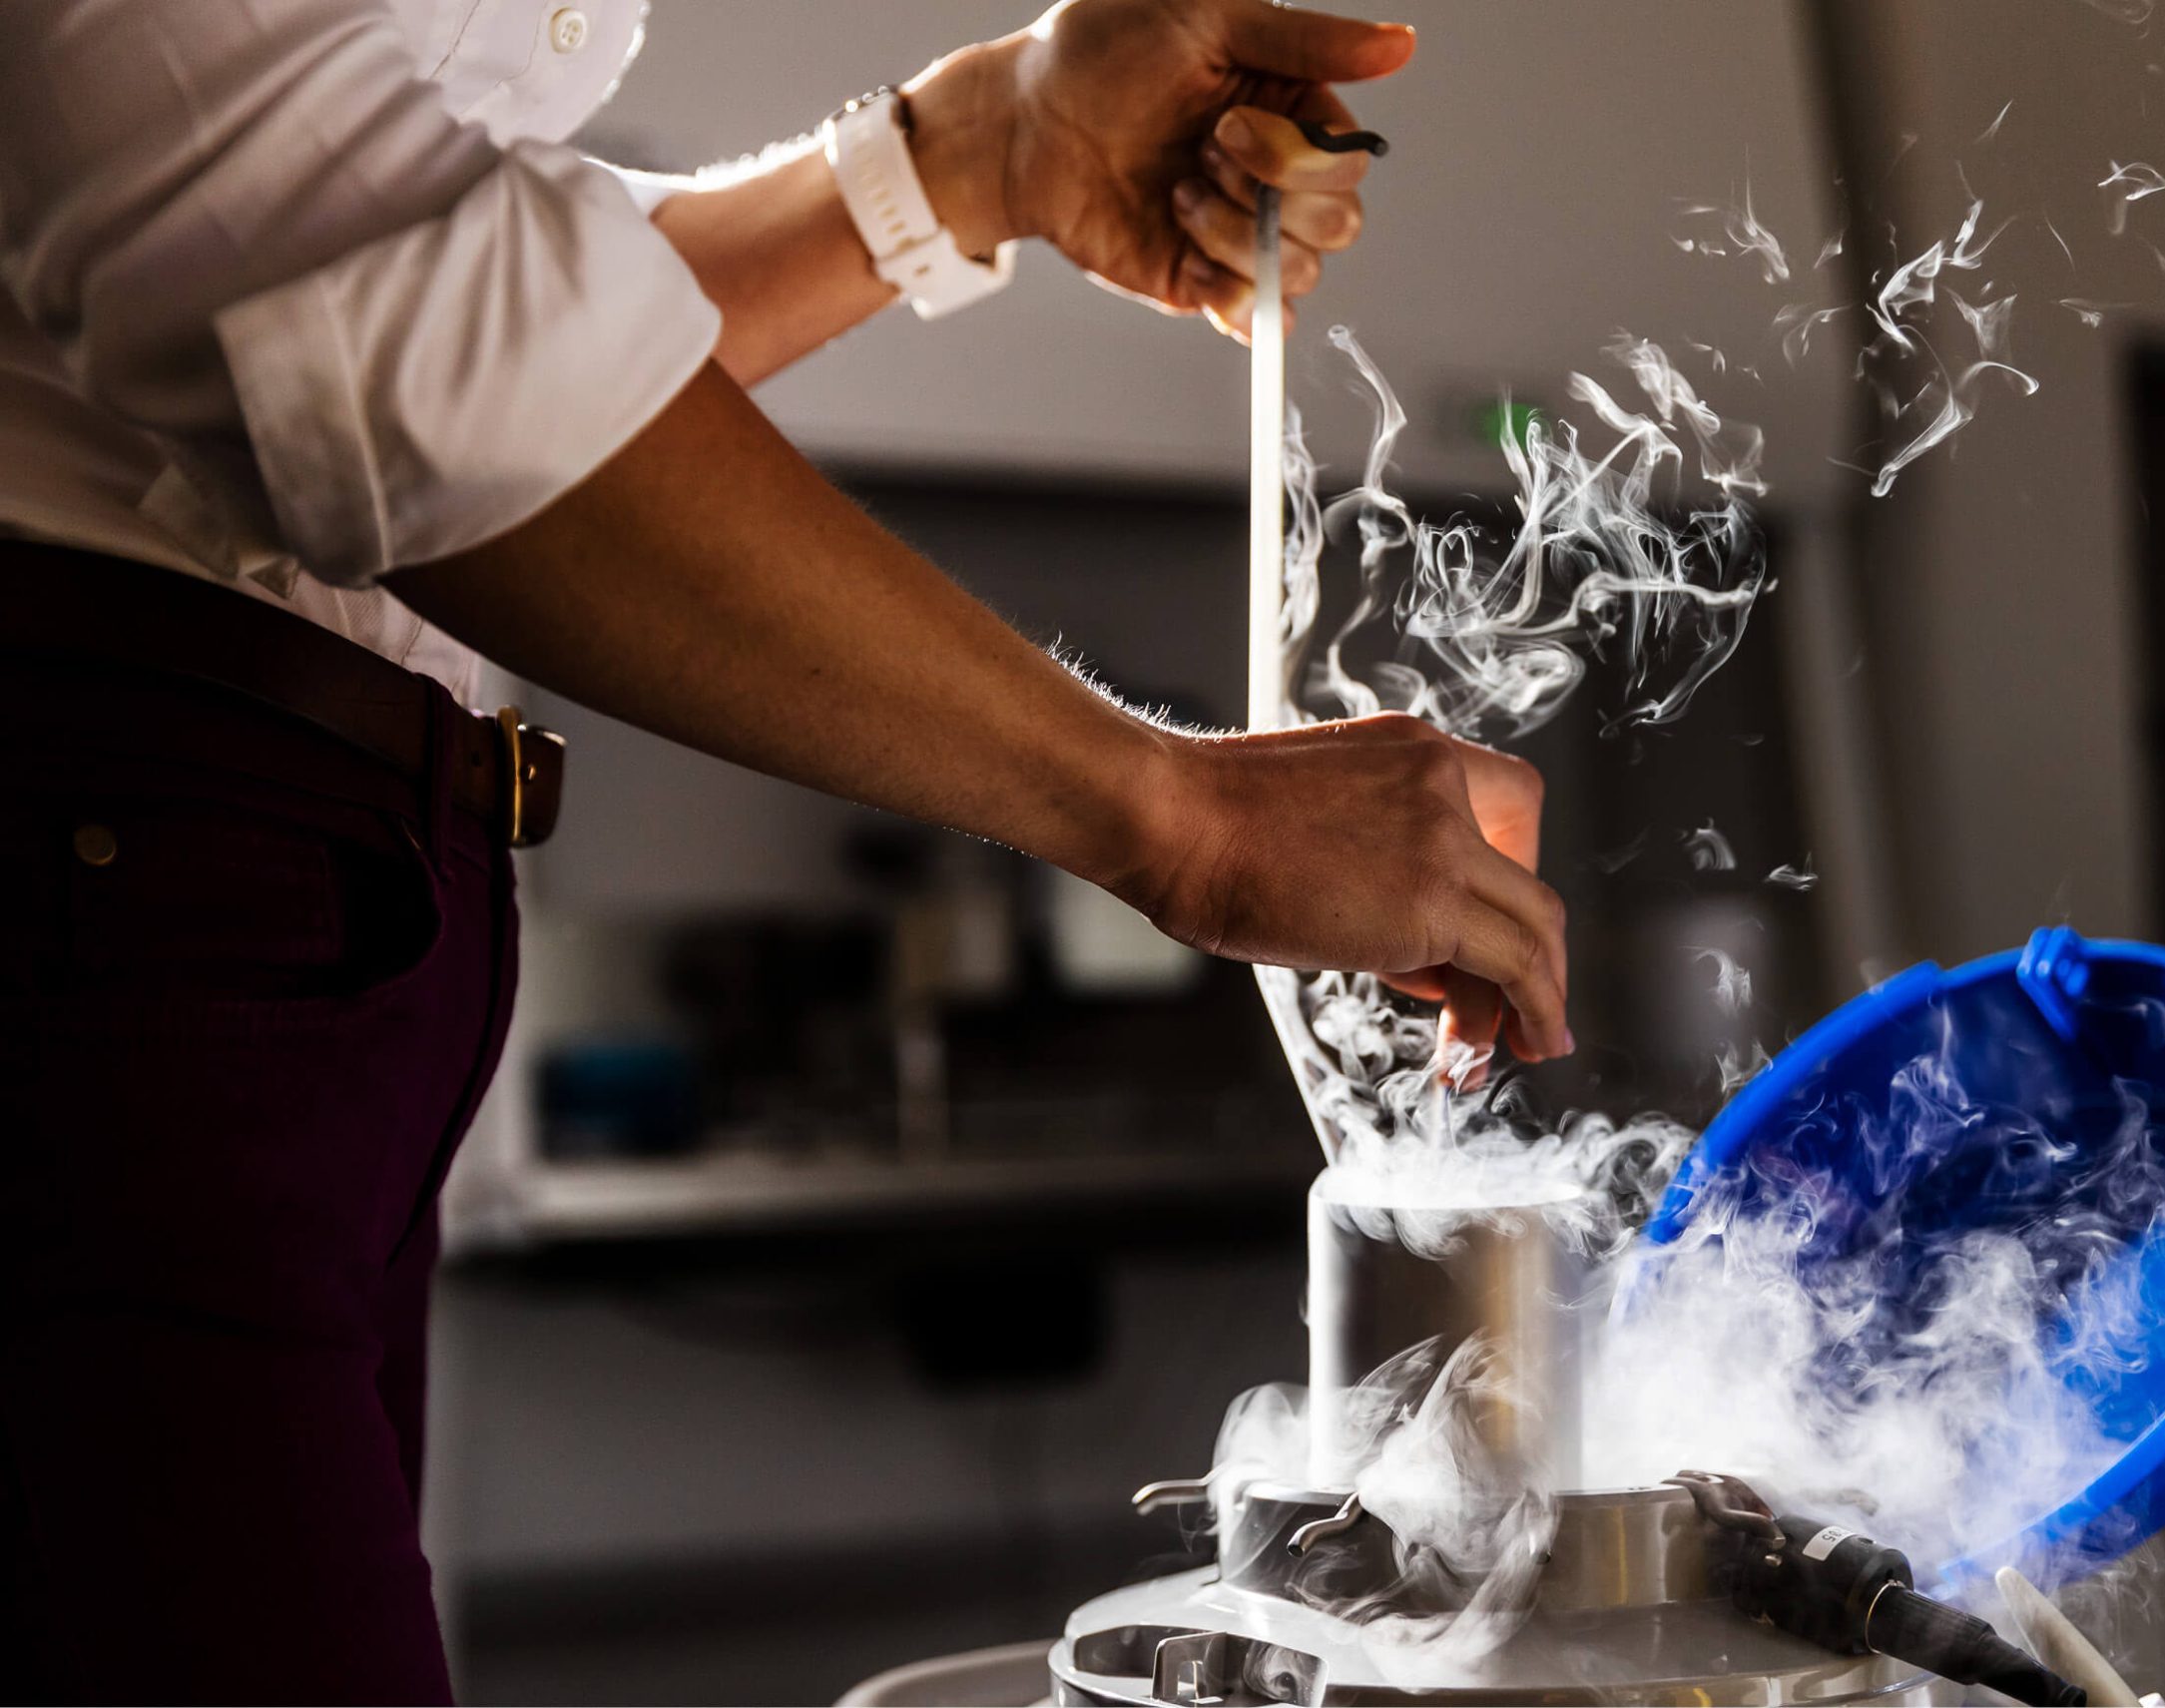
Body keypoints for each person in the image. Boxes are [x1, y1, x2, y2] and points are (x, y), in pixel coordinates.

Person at [0, 0, 1572, 1698]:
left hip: (280, 920)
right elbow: (370, 324)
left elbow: (455, 301)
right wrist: (1174, 809)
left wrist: (982, 153)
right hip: (114, 876)